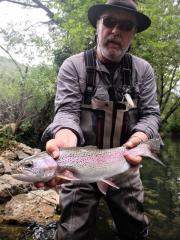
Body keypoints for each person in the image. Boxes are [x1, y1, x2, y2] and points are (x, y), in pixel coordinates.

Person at [40, 0, 160, 239]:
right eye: (110, 21)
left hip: (124, 164)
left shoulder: (143, 71)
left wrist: (141, 138)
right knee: (72, 234)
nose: (116, 31)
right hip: (77, 168)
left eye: (126, 25)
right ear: (98, 24)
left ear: (133, 34)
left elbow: (151, 115)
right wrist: (65, 139)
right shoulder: (73, 66)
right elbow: (66, 112)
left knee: (135, 230)